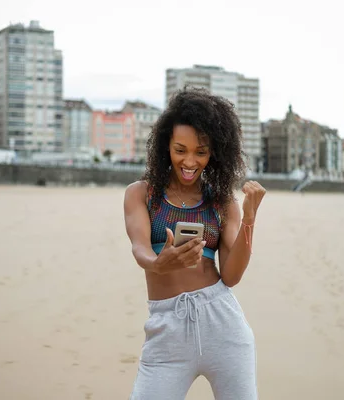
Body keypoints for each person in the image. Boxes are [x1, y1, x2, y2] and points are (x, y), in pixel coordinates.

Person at [123, 87, 266, 399]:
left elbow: (231, 275)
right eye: (180, 150)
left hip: (223, 326)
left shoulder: (222, 203)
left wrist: (249, 220)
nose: (190, 161)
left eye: (200, 152)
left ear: (214, 153)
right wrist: (156, 263)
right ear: (165, 147)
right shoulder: (141, 195)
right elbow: (139, 247)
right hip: (167, 331)